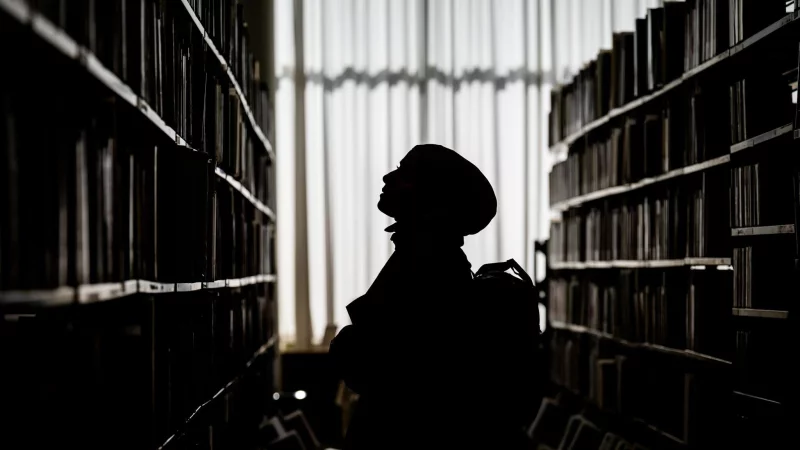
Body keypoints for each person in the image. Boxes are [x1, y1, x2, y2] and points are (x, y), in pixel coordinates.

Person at [330, 144, 532, 449]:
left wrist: (345, 344)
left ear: (433, 197)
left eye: (403, 173)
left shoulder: (427, 264)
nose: (387, 177)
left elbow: (370, 363)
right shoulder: (430, 256)